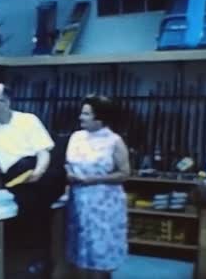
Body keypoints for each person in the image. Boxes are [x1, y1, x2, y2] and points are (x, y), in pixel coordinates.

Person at [0, 83, 65, 278]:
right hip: (16, 176)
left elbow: (43, 152)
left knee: (34, 201)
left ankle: (37, 259)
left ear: (6, 102)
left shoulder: (28, 120)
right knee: (31, 204)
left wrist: (39, 171)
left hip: (42, 170)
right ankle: (39, 259)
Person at [65, 95, 130, 279]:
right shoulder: (76, 137)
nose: (80, 117)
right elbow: (68, 163)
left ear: (100, 117)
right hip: (78, 201)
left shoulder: (114, 141)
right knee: (80, 248)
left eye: (86, 114)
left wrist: (92, 179)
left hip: (105, 205)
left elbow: (124, 173)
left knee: (101, 252)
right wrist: (69, 173)